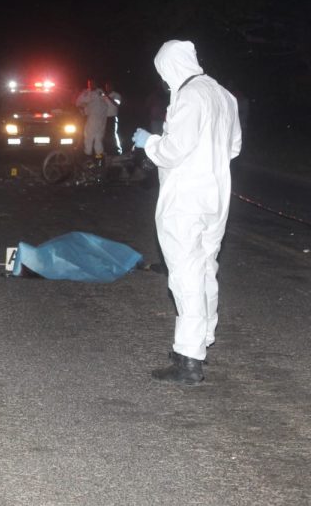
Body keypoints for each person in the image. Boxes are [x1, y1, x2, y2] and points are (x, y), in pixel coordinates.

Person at [132, 40, 242, 385]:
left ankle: (188, 359)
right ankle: (202, 338)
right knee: (206, 266)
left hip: (186, 197)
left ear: (169, 66)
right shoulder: (224, 95)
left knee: (185, 274)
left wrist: (148, 142)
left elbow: (172, 150)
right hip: (216, 194)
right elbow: (234, 147)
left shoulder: (190, 96)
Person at [76, 78, 109, 166]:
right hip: (92, 118)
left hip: (100, 119)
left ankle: (98, 160)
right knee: (89, 138)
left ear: (96, 84)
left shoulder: (100, 92)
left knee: (96, 139)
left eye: (93, 83)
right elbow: (78, 102)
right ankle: (90, 160)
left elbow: (107, 102)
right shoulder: (86, 92)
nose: (91, 85)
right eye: (89, 83)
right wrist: (83, 108)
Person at [102, 81, 122, 155]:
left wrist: (108, 97)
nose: (108, 88)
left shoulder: (116, 95)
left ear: (112, 87)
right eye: (106, 87)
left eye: (109, 86)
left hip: (113, 117)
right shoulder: (104, 96)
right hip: (104, 118)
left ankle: (118, 149)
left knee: (113, 134)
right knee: (105, 134)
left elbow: (116, 104)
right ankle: (107, 150)